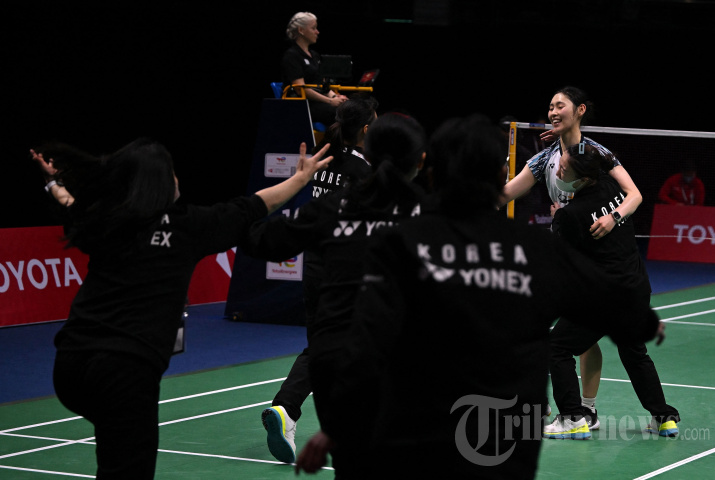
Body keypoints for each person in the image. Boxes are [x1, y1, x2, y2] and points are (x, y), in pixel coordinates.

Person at [294, 114, 662, 478]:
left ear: (432, 171)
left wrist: (338, 424)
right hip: (503, 444)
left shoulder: (402, 243)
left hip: (420, 436)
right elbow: (605, 301)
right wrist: (644, 322)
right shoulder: (536, 249)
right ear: (502, 176)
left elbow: (368, 339)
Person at [30, 138, 332, 479]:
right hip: (124, 372)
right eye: (171, 171)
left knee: (113, 446)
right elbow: (254, 206)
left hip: (70, 366)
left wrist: (52, 183)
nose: (177, 178)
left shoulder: (107, 220)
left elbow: (69, 204)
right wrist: (300, 179)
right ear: (159, 181)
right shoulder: (187, 226)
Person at [240, 112, 427, 474]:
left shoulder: (332, 208)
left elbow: (258, 240)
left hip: (333, 352)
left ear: (369, 152)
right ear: (420, 160)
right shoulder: (432, 216)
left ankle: (290, 410)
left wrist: (295, 182)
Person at [497, 86, 644, 428]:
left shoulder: (596, 154)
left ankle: (584, 410)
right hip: (565, 258)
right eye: (550, 106)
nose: (552, 111)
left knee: (579, 340)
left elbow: (634, 194)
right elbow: (505, 194)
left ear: (579, 110)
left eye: (560, 105)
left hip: (597, 263)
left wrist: (613, 217)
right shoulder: (543, 159)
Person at [257, 94, 378, 463]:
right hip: (346, 272)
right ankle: (298, 410)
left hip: (314, 266)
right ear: (367, 129)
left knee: (326, 345)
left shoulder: (321, 159)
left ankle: (288, 410)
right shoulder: (364, 171)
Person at [544, 142, 680, 439]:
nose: (558, 172)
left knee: (557, 347)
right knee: (634, 352)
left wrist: (557, 220)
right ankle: (664, 417)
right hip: (636, 288)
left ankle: (572, 418)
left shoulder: (571, 214)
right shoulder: (612, 188)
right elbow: (614, 172)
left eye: (564, 169)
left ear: (582, 178)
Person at [281, 11, 348, 126]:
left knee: (353, 108)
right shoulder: (292, 56)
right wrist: (330, 101)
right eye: (313, 28)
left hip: (320, 102)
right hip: (304, 104)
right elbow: (300, 89)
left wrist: (336, 97)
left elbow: (323, 85)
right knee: (339, 114)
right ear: (301, 30)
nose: (317, 32)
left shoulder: (315, 56)